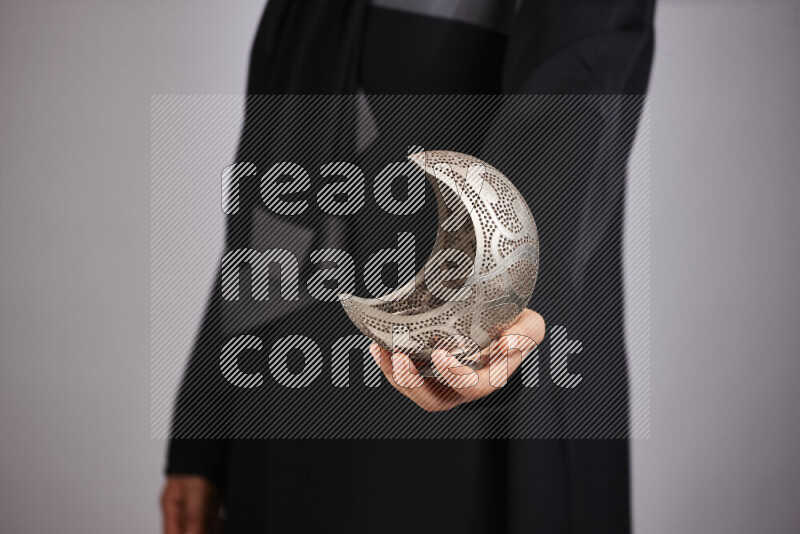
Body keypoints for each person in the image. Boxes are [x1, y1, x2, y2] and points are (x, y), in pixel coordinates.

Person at [161, 1, 654, 532]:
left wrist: (495, 306)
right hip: (276, 406)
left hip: (457, 393)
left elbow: (578, 84)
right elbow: (267, 190)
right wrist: (205, 423)